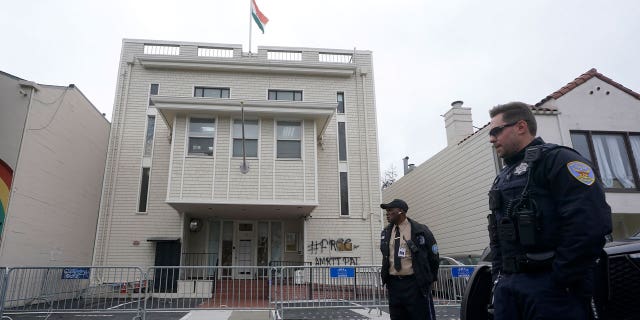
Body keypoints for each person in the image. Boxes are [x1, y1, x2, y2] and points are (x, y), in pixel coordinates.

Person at [487, 102, 612, 319]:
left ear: (521, 126)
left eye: (496, 131)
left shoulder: (560, 160)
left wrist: (559, 279)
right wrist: (499, 279)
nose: (491, 139)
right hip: (509, 289)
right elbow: (498, 234)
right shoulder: (503, 176)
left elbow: (589, 224)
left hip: (552, 290)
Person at [380, 199, 440, 320]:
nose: (387, 213)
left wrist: (429, 279)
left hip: (415, 284)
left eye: (390, 210)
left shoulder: (420, 230)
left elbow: (434, 256)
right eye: (386, 211)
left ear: (401, 211)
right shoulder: (386, 232)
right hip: (394, 285)